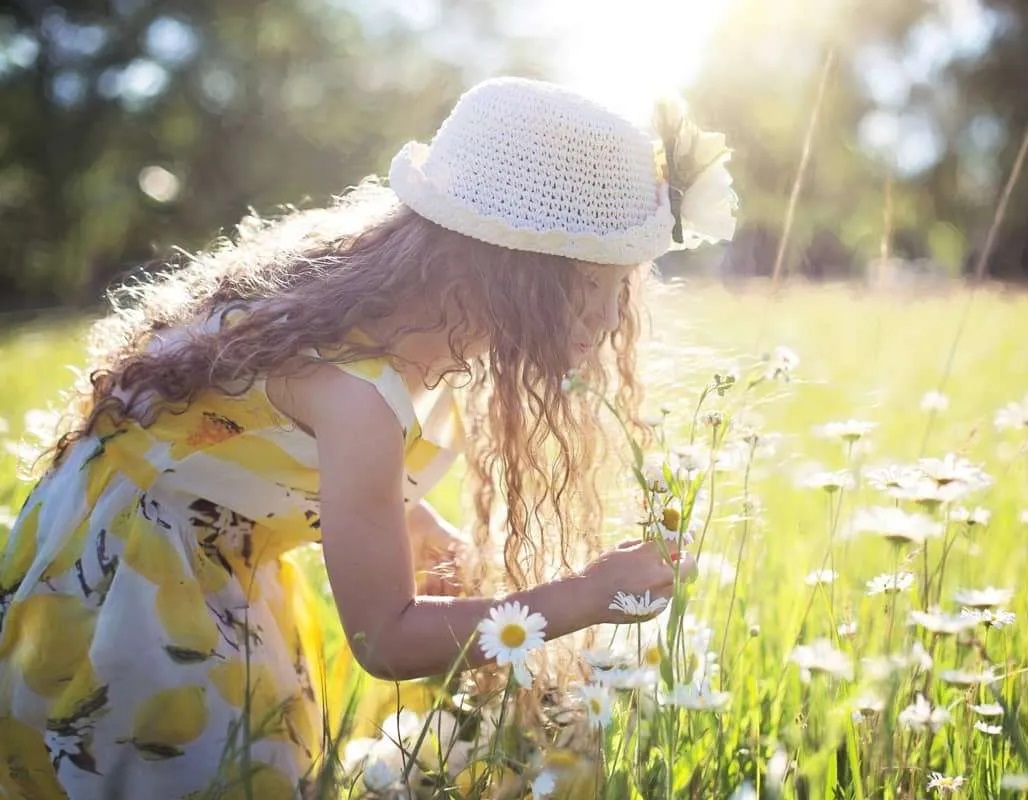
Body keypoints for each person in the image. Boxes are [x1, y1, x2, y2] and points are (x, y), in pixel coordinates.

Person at [0, 76, 735, 798]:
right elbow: (385, 641)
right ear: (516, 274)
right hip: (129, 586)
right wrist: (588, 593)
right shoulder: (359, 395)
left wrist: (407, 518)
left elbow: (242, 439)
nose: (612, 320)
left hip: (196, 544)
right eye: (598, 286)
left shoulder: (389, 308)